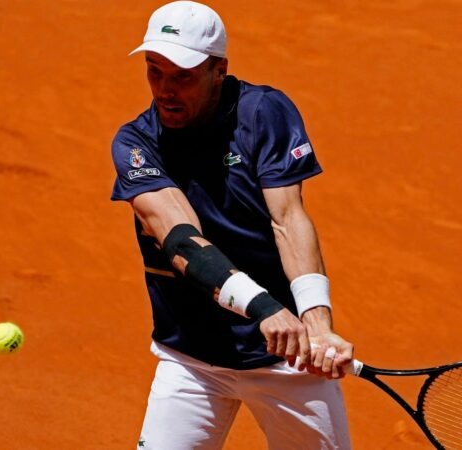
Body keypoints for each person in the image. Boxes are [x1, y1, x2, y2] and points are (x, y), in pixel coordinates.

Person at [110, 1, 354, 448]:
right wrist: (264, 307)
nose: (165, 89)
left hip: (286, 357)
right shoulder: (137, 144)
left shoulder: (263, 113)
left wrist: (316, 322)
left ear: (218, 70)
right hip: (192, 358)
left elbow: (288, 217)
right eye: (154, 70)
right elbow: (181, 240)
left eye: (182, 76)